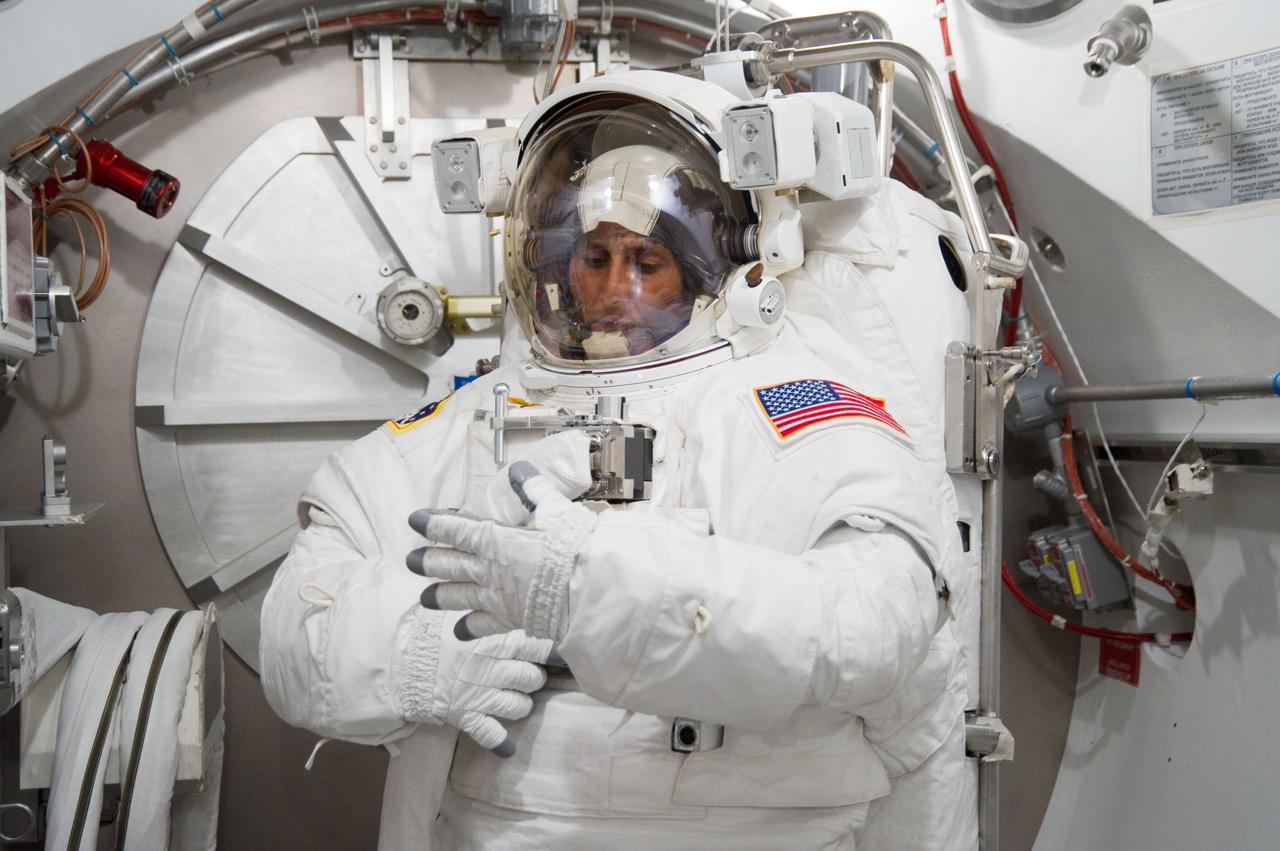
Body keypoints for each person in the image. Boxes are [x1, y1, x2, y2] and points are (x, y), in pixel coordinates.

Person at [260, 70, 971, 850]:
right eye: (594, 256)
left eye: (646, 260)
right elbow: (302, 609)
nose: (611, 289)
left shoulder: (788, 406)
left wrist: (602, 594)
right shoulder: (482, 417)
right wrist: (408, 650)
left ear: (708, 268)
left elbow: (874, 626)